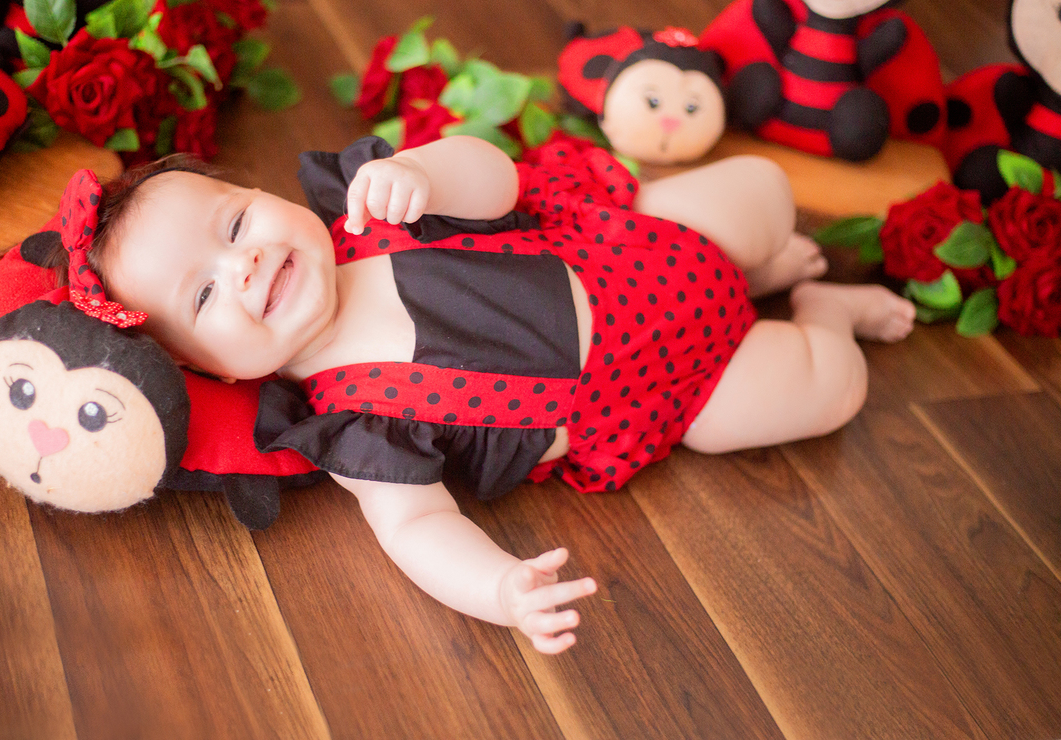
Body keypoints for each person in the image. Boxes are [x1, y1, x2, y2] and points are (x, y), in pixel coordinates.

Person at [73, 133, 914, 654]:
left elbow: (499, 179)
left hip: (641, 240)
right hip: (672, 390)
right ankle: (822, 313)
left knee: (762, 190)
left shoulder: (373, 206)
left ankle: (756, 263)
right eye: (206, 296)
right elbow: (418, 528)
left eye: (233, 224)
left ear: (263, 195)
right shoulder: (356, 424)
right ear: (216, 373)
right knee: (829, 389)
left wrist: (428, 172)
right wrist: (500, 592)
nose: (244, 263)